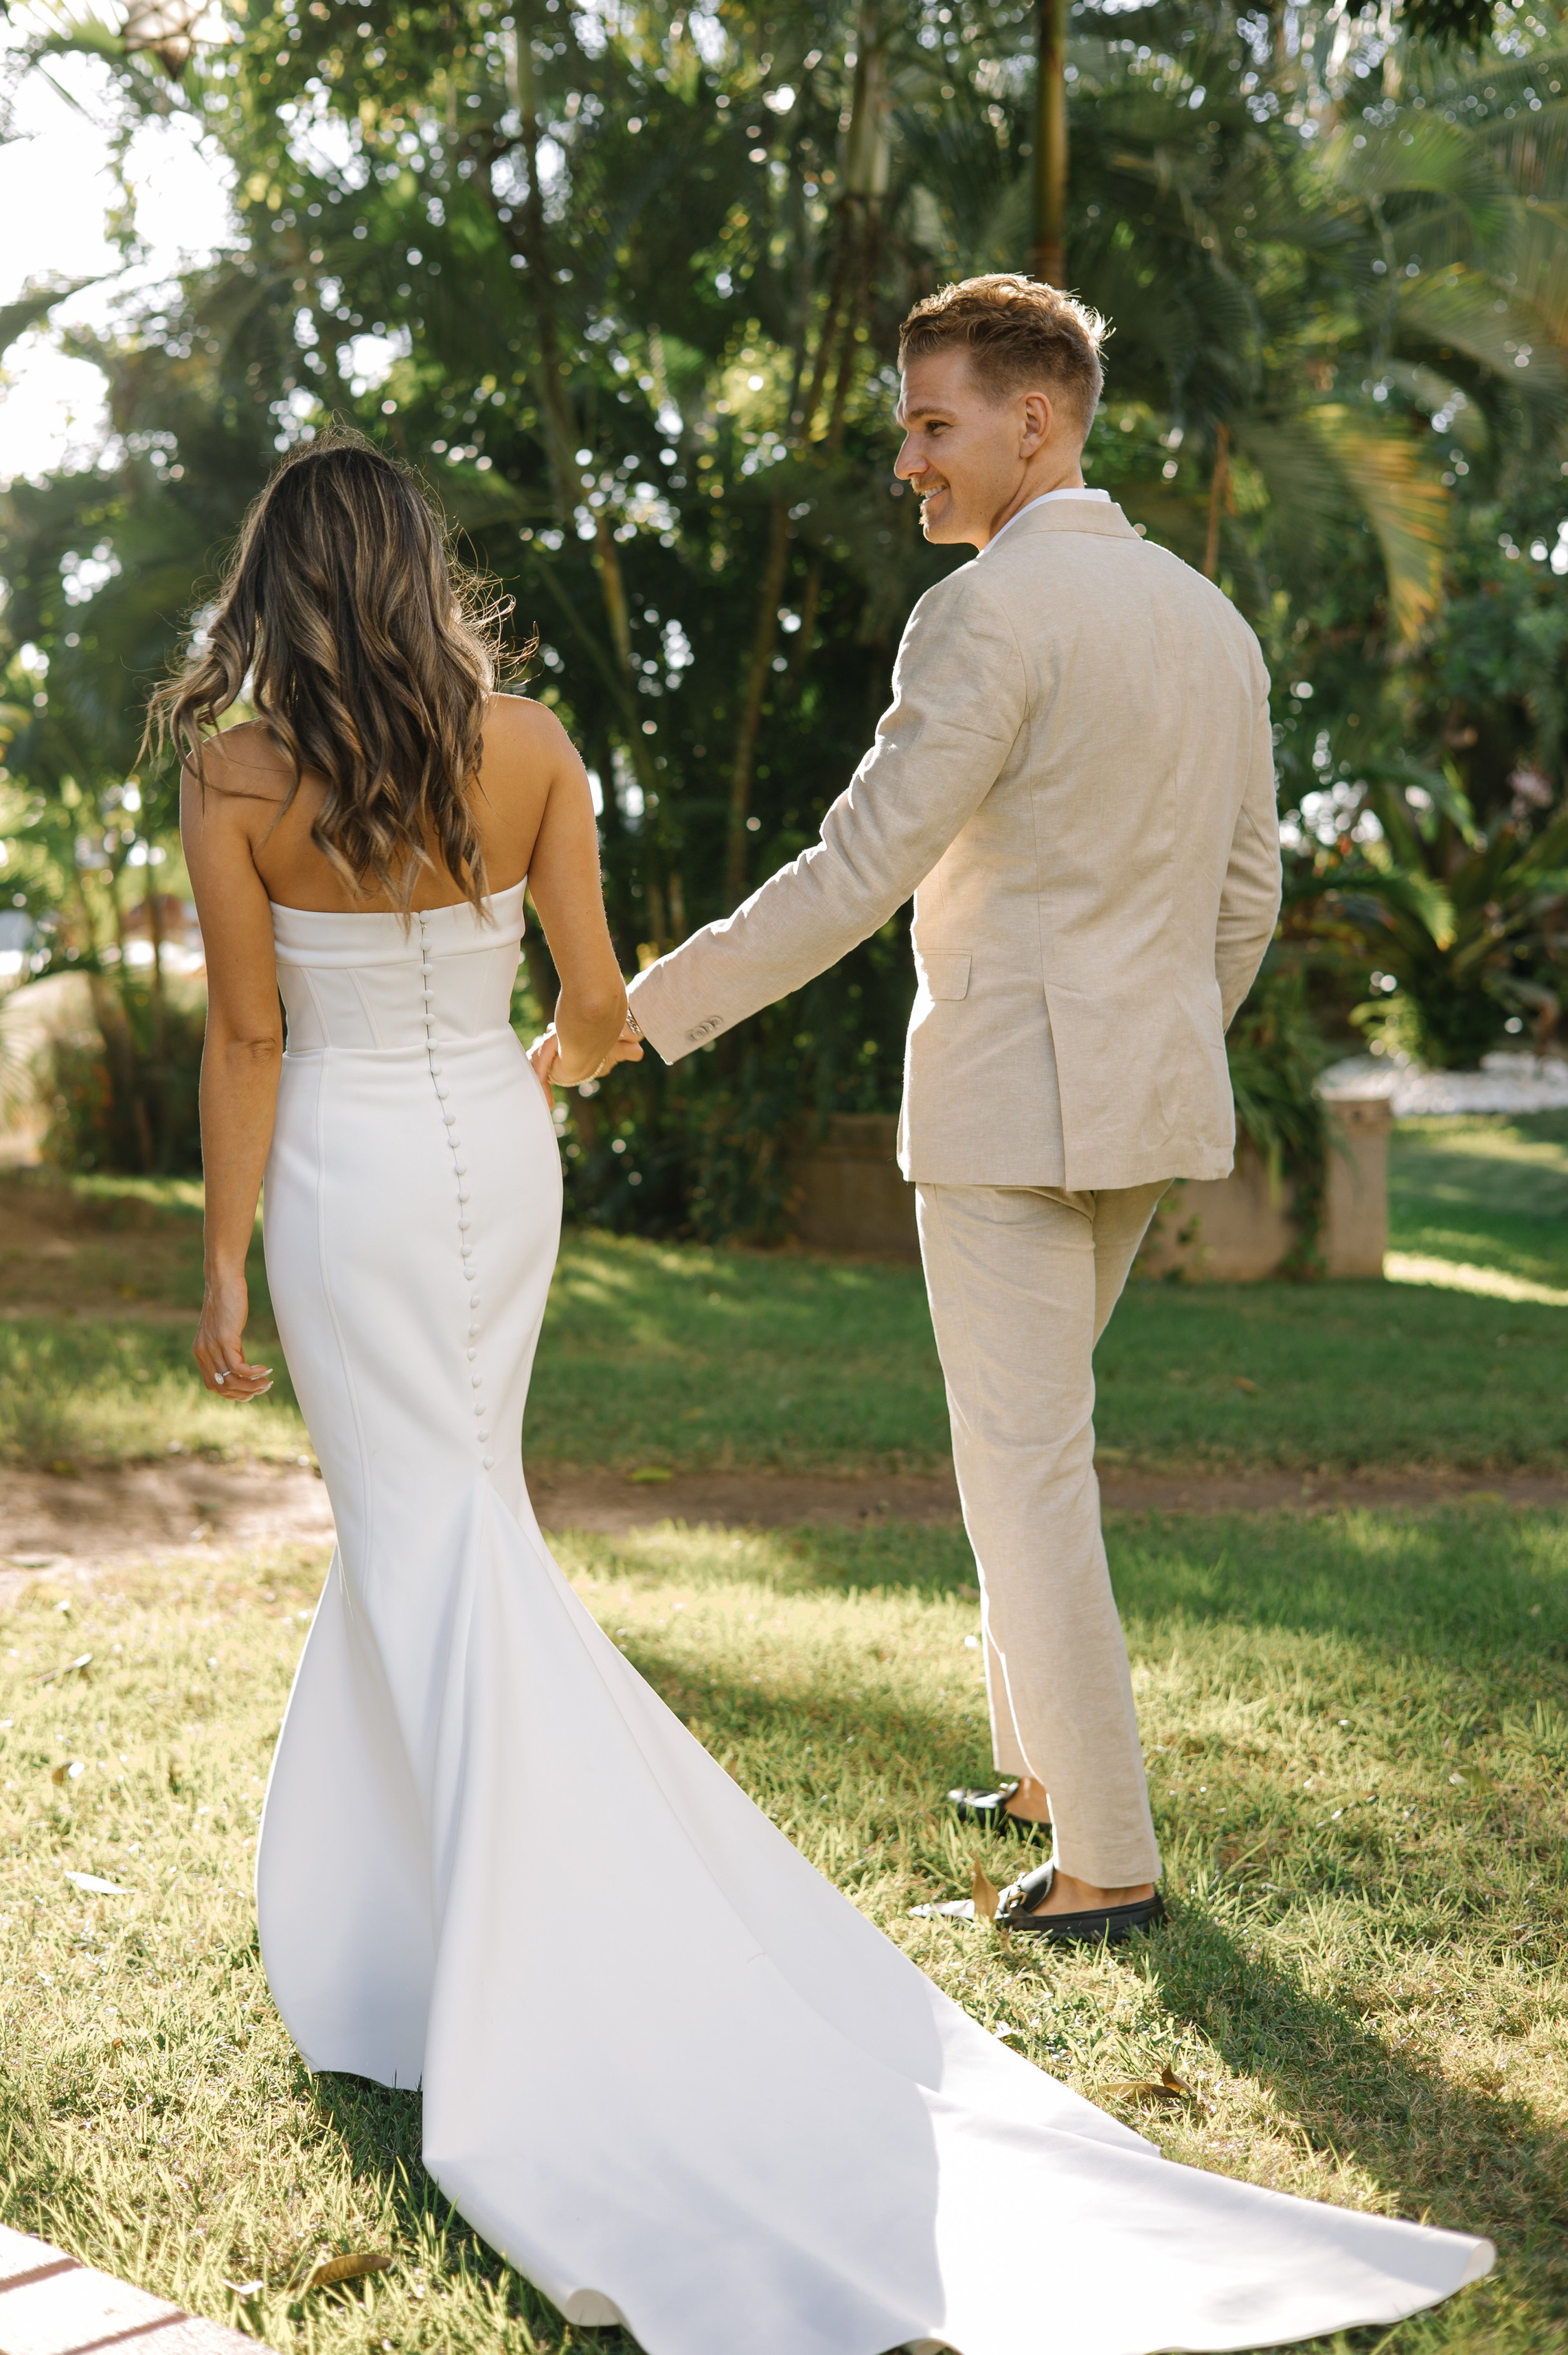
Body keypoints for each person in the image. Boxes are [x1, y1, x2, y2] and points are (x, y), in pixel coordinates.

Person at [168, 426, 1488, 2355]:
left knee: (424, 1535)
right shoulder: (527, 748)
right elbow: (600, 1005)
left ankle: (500, 1969)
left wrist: (221, 1254)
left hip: (351, 1187)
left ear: (276, 581)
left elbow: (246, 1027)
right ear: (412, 570)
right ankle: (408, 1951)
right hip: (492, 1170)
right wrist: (560, 1046)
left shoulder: (235, 769)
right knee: (453, 1529)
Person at [614, 274, 1279, 1945]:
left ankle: (1109, 1856)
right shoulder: (1209, 620)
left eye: (931, 425)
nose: (909, 462)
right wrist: (1164, 1034)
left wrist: (647, 1012)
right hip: (1144, 1103)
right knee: (1028, 1442)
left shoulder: (985, 612)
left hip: (1004, 1104)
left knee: (1022, 1471)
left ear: (1029, 420)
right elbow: (1248, 895)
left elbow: (857, 871)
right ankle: (1044, 1772)